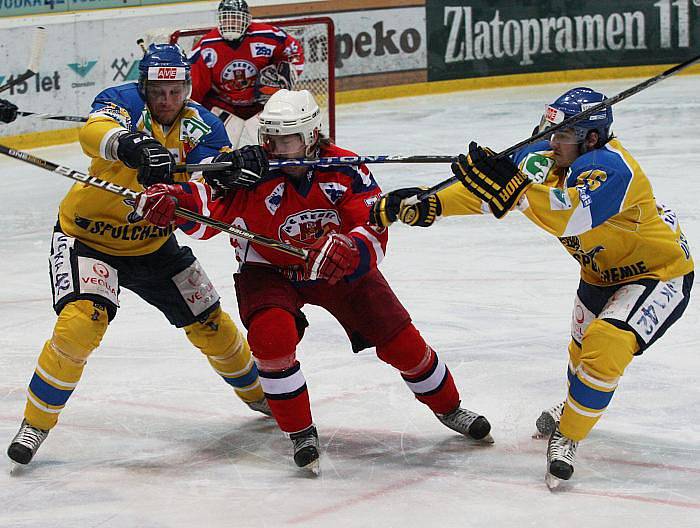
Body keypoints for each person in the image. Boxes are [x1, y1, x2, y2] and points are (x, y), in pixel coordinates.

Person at [134, 89, 493, 474]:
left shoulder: (345, 168)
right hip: (269, 270)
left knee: (403, 344)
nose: (276, 148)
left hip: (336, 269)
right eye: (269, 138)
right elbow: (206, 203)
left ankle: (449, 408)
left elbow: (373, 226)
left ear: (310, 136)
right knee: (271, 342)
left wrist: (351, 250)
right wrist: (173, 200)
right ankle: (300, 431)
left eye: (286, 139)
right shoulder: (251, 169)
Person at [370, 87, 694, 488]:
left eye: (563, 136)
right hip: (598, 275)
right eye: (550, 131)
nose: (552, 141)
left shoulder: (615, 170)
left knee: (605, 345)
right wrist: (431, 203)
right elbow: (487, 191)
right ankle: (574, 406)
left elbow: (569, 217)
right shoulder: (545, 155)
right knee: (581, 362)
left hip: (658, 272)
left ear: (591, 138)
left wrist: (518, 191)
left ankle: (569, 436)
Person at [6, 44, 272, 466]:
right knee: (80, 325)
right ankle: (36, 423)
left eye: (175, 91)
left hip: (152, 244)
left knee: (211, 325)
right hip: (87, 238)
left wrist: (224, 176)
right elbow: (94, 133)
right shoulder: (123, 101)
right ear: (144, 87)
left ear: (187, 87)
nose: (166, 101)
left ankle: (262, 397)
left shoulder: (202, 124)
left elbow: (208, 190)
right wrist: (127, 144)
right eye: (158, 91)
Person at [189, 0, 304, 148]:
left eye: (236, 18)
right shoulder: (206, 47)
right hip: (224, 106)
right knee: (220, 149)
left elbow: (294, 52)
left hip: (261, 105)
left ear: (247, 20)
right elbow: (196, 90)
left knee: (275, 147)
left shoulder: (268, 36)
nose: (231, 23)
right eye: (226, 18)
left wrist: (287, 75)